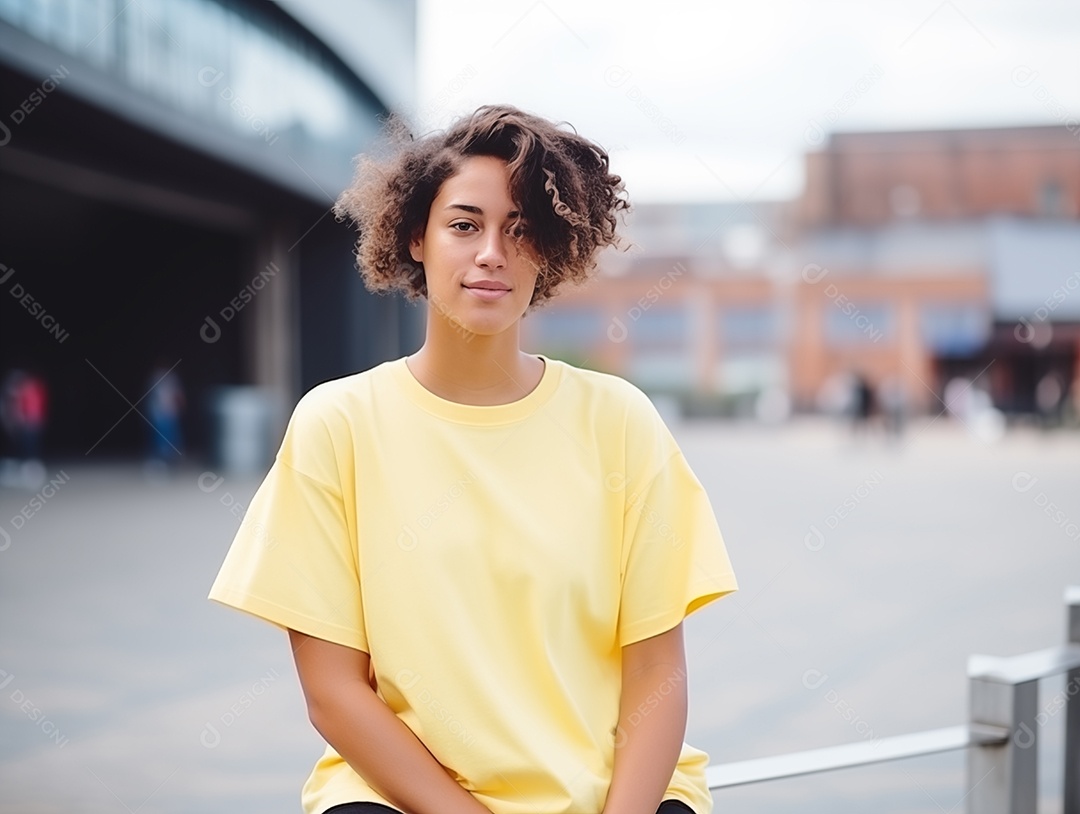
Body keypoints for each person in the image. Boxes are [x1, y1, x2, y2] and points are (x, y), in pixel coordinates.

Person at [208, 104, 738, 814]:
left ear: (551, 251)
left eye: (522, 230)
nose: (493, 251)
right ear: (415, 238)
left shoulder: (620, 422)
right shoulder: (339, 425)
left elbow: (656, 674)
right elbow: (335, 693)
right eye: (465, 224)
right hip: (405, 801)